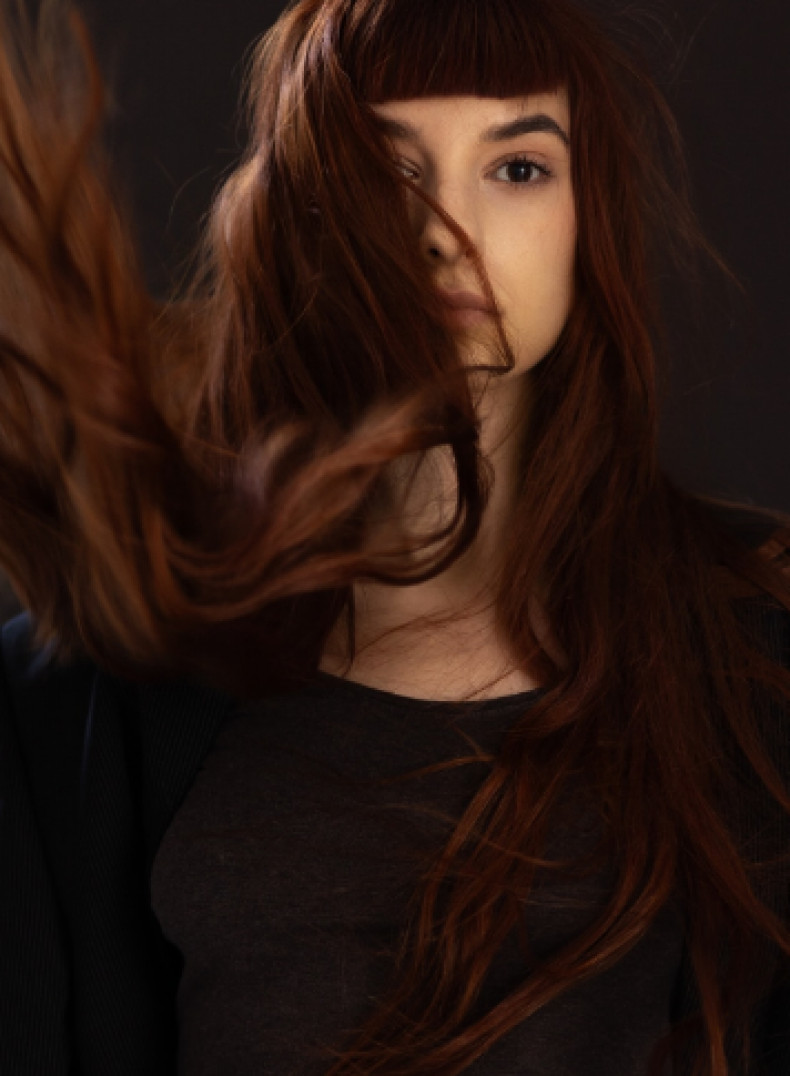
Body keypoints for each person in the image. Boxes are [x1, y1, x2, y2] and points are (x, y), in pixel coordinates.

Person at [1, 0, 789, 1073]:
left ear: (586, 217)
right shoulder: (92, 697)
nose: (444, 230)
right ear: (299, 217)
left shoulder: (755, 665)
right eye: (387, 168)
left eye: (518, 168)